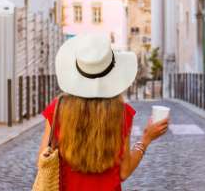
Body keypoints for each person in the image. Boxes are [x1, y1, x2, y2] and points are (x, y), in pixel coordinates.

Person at [37, 33, 170, 190]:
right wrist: (146, 139)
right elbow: (124, 172)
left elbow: (42, 161)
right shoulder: (122, 113)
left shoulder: (57, 109)